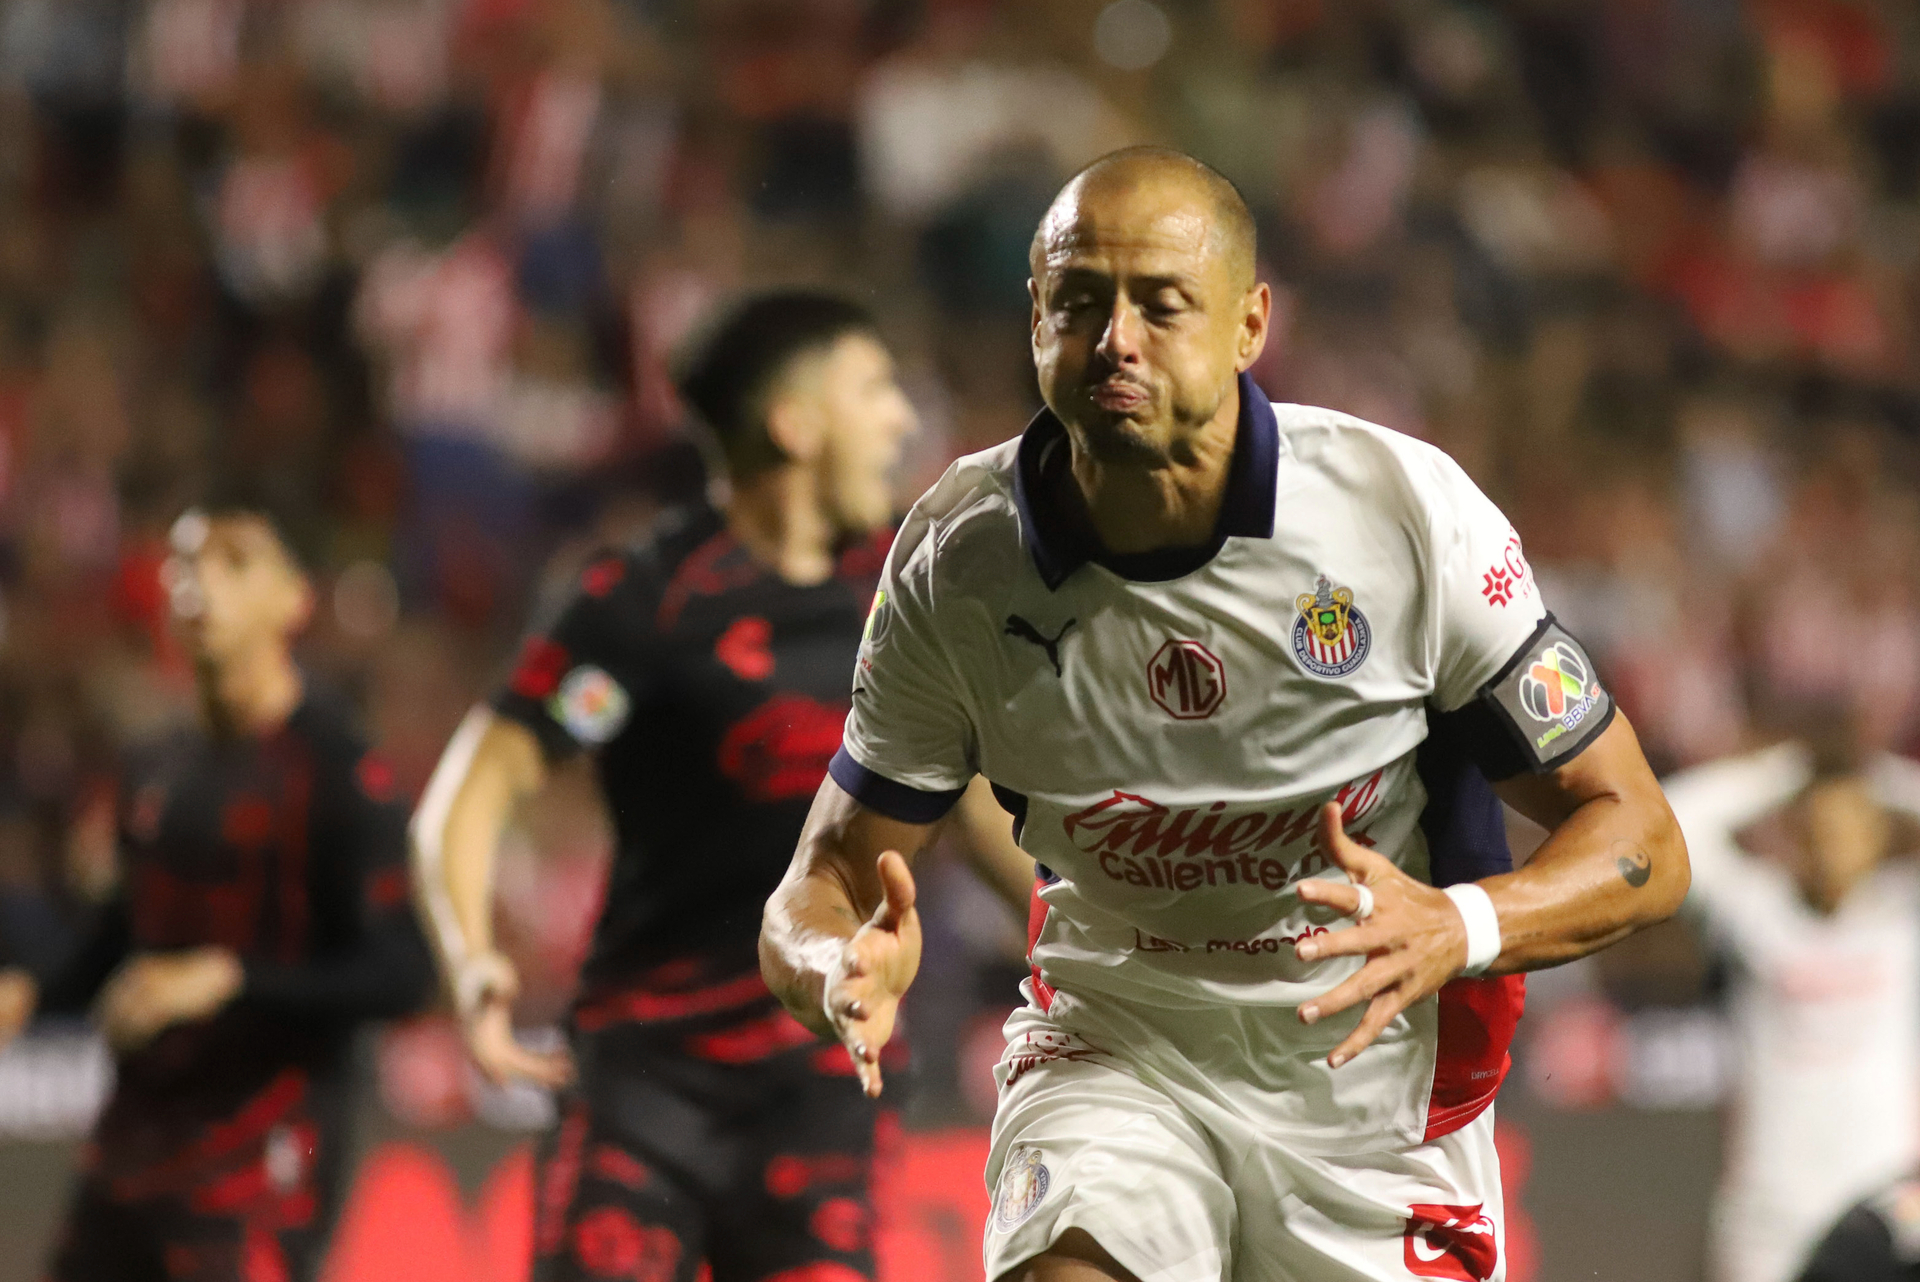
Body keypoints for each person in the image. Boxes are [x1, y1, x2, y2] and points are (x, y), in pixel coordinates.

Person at [760, 146, 1689, 1282]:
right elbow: (827, 877)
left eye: (1161, 304)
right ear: (1034, 318)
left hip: (1372, 1086)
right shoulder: (957, 563)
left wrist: (1461, 925)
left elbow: (1640, 838)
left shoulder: (1402, 515)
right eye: (1080, 301)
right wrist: (829, 962)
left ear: (1250, 325)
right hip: (1117, 1043)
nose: (1117, 339)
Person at [411, 291, 1030, 1282]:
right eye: (872, 389)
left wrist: (1112, 981)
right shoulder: (647, 610)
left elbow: (986, 817)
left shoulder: (905, 607)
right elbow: (478, 788)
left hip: (825, 1089)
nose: (900, 421)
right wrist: (471, 960)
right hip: (643, 1088)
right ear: (793, 423)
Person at [0, 494, 433, 1282]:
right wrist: (29, 993)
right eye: (185, 562)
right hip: (135, 1137)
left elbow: (401, 974)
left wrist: (230, 981)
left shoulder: (339, 771)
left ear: (294, 600)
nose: (199, 586)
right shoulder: (151, 764)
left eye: (234, 563)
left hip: (264, 1148)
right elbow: (120, 934)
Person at [1663, 731, 1920, 1282]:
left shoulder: (1903, 920)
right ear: (1797, 834)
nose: (1836, 845)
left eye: (1853, 827)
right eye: (1822, 828)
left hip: (1881, 1197)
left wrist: (1883, 776)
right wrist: (1777, 773)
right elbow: (1672, 822)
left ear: (1879, 835)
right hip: (1769, 1204)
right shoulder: (1756, 915)